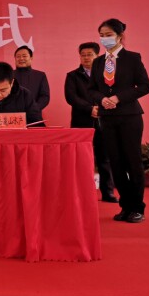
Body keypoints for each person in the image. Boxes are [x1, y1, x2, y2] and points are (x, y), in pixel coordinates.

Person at [88, 18, 149, 224]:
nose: (104, 39)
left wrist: (118, 98)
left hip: (130, 117)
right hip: (107, 118)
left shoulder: (133, 58)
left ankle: (137, 207)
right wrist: (101, 99)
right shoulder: (98, 62)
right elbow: (91, 89)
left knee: (133, 161)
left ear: (120, 36)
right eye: (102, 35)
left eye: (108, 35)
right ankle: (125, 206)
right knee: (115, 162)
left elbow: (145, 86)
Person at [65, 43, 117, 203]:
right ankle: (81, 193)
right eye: (83, 55)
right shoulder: (72, 76)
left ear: (97, 56)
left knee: (105, 158)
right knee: (81, 159)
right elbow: (71, 97)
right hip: (81, 121)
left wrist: (101, 107)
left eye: (90, 54)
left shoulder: (107, 75)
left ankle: (108, 192)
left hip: (104, 120)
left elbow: (113, 94)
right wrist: (89, 109)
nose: (86, 58)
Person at [13, 45, 50, 111]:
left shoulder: (40, 75)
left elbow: (44, 96)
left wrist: (35, 108)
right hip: (12, 114)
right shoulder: (8, 75)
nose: (21, 58)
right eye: (18, 56)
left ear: (31, 58)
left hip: (34, 113)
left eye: (24, 56)